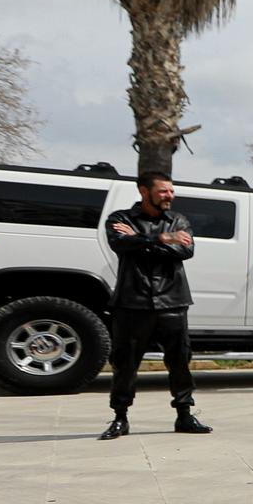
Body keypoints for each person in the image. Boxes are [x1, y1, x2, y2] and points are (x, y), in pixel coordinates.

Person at [100, 172, 210, 439]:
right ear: (144, 191)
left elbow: (185, 251)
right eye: (163, 191)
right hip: (132, 302)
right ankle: (120, 418)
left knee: (180, 361)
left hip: (173, 301)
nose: (169, 196)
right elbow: (120, 244)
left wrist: (141, 241)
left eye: (171, 191)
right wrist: (162, 239)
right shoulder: (120, 219)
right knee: (125, 364)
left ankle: (184, 415)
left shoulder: (178, 220)